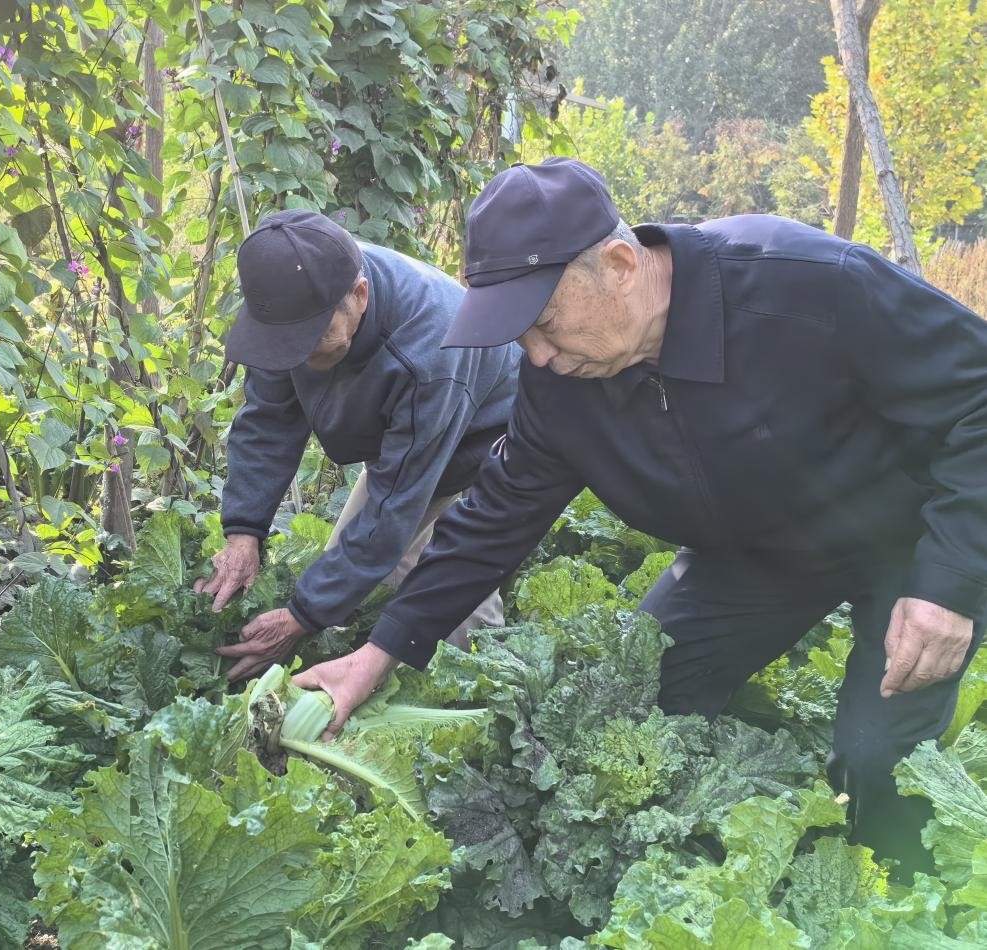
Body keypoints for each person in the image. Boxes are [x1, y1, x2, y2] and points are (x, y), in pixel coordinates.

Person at [294, 158, 987, 873]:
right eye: (517, 336)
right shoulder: (560, 379)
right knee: (632, 708)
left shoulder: (809, 283)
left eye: (543, 323)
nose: (535, 354)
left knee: (879, 764)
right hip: (750, 556)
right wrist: (380, 651)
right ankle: (716, 857)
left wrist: (950, 581)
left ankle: (901, 898)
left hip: (906, 545)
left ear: (621, 264)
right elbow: (498, 512)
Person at [197, 209, 520, 681]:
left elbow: (393, 506)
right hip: (406, 441)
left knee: (450, 593)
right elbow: (267, 422)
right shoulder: (288, 301)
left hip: (485, 444)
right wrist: (244, 531)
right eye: (287, 345)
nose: (299, 357)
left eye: (311, 340)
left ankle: (483, 698)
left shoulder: (430, 349)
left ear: (360, 296)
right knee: (355, 581)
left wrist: (302, 618)